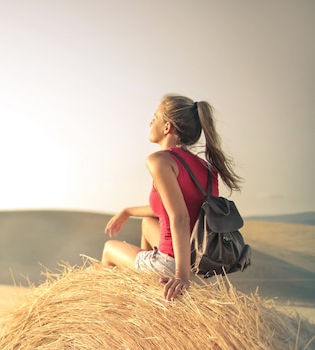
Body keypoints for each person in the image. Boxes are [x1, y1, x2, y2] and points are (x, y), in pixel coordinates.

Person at [101, 94, 242, 301]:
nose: (150, 122)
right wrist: (128, 211)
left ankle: (114, 305)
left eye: (155, 117)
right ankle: (145, 290)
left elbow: (180, 217)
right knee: (148, 223)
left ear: (167, 127)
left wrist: (181, 276)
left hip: (173, 264)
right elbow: (176, 208)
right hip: (201, 260)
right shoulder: (206, 167)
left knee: (109, 249)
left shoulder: (159, 160)